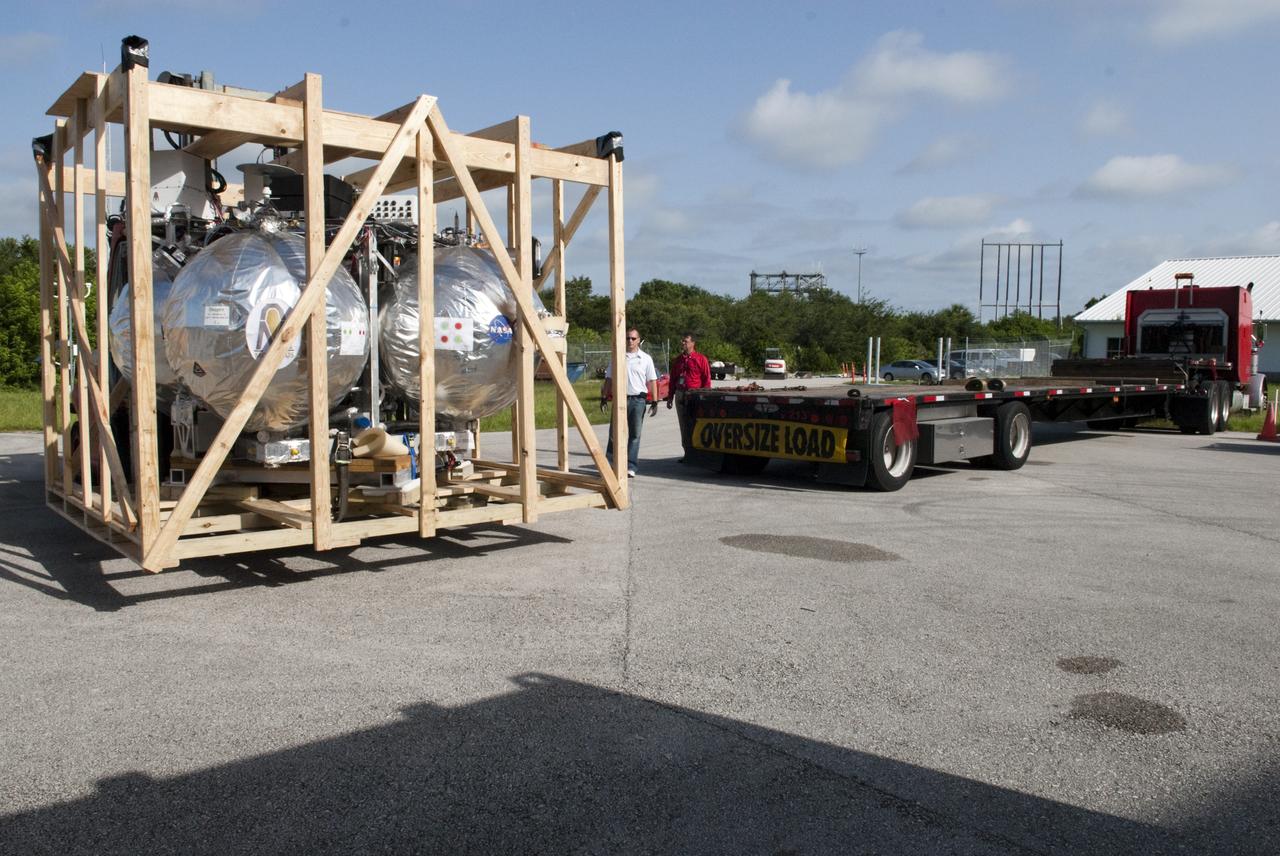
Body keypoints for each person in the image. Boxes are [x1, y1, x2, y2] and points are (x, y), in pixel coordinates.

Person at [601, 328, 658, 477]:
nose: (630, 341)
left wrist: (655, 401)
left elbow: (652, 380)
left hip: (638, 400)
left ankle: (631, 466)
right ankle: (610, 464)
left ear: (639, 340)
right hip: (620, 399)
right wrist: (604, 397)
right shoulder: (618, 357)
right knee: (614, 433)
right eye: (627, 338)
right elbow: (609, 378)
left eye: (633, 338)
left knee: (635, 434)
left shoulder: (645, 358)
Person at [666, 332, 712, 462]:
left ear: (693, 343)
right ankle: (687, 453)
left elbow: (706, 379)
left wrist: (705, 397)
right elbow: (673, 379)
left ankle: (699, 453)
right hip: (680, 394)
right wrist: (670, 397)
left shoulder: (701, 359)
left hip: (695, 395)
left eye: (686, 341)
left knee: (696, 424)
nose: (683, 343)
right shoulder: (678, 360)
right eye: (682, 341)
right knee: (684, 424)